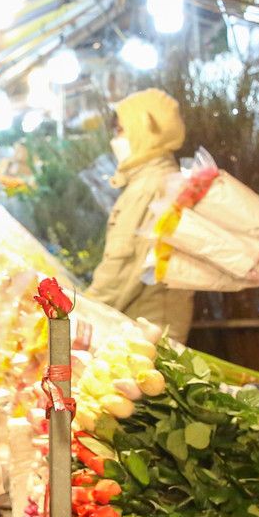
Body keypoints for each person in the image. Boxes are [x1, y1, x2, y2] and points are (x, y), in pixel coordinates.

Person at [87, 88, 195, 342]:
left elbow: (120, 273)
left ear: (144, 132)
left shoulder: (151, 188)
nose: (116, 139)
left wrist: (74, 315)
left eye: (122, 130)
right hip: (147, 329)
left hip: (148, 334)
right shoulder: (154, 181)